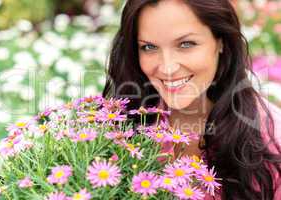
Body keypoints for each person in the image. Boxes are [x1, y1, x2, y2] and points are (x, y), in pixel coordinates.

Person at [102, 0, 281, 199]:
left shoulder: (272, 138)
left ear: (221, 41)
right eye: (149, 47)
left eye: (186, 44)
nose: (167, 69)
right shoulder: (120, 127)